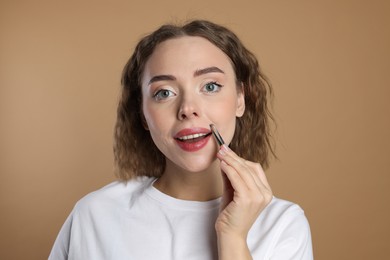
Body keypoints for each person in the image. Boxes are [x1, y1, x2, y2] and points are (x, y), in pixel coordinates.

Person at [49, 20, 313, 260]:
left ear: (240, 99)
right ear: (142, 114)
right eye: (164, 92)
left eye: (210, 86)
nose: (188, 108)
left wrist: (233, 238)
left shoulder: (283, 225)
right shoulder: (95, 215)